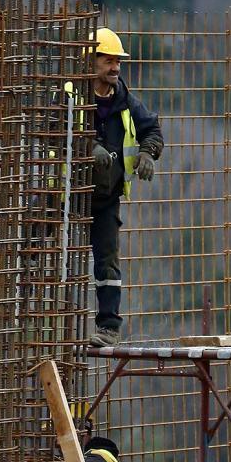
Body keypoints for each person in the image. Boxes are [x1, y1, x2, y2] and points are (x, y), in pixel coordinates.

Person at [87, 27, 164, 347]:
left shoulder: (126, 102)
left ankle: (108, 328)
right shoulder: (68, 97)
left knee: (107, 260)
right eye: (108, 60)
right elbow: (49, 129)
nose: (115, 67)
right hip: (66, 194)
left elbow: (153, 131)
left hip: (106, 196)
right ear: (90, 63)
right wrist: (87, 148)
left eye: (117, 61)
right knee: (43, 247)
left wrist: (148, 152)